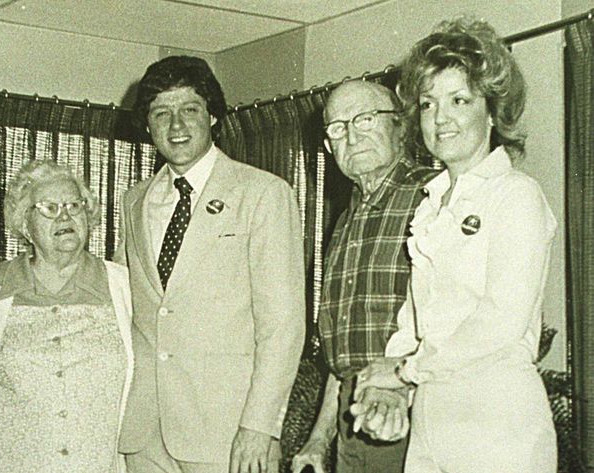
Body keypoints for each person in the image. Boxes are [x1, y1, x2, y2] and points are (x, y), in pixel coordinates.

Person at [352, 17, 557, 473]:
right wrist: (390, 388)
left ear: (491, 110)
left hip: (498, 421)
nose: (440, 118)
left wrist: (405, 370)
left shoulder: (516, 194)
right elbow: (413, 321)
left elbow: (500, 321)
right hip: (432, 417)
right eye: (428, 104)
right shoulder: (430, 205)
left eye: (458, 100)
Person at [114, 55, 305, 473]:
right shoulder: (134, 201)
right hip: (145, 431)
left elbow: (283, 325)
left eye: (190, 110)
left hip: (229, 433)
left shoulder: (263, 194)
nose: (176, 125)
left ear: (213, 116)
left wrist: (261, 426)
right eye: (161, 113)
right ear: (147, 125)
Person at [0, 160, 134, 472]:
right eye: (49, 208)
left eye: (74, 205)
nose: (65, 215)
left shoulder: (123, 286)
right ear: (24, 223)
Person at [291, 80, 436, 473]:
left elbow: (456, 327)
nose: (352, 136)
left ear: (400, 126)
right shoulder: (346, 220)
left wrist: (401, 384)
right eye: (338, 128)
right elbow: (346, 361)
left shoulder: (434, 197)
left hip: (414, 419)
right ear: (328, 147)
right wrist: (320, 438)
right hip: (354, 423)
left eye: (365, 119)